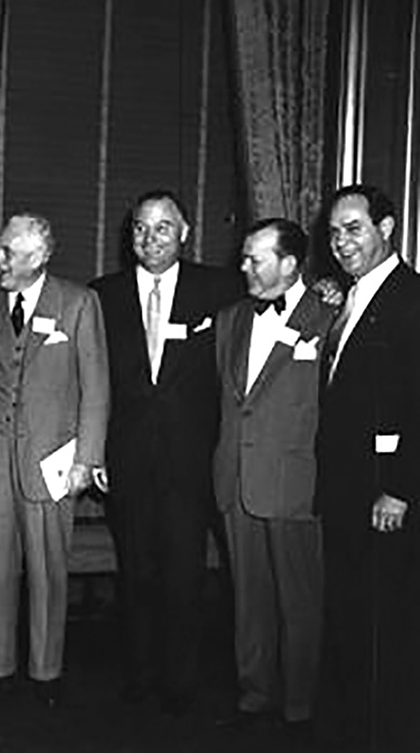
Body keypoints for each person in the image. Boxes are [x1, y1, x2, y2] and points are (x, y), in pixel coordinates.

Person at [90, 190, 242, 716]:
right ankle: (139, 675)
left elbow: (280, 305)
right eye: (139, 228)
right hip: (126, 459)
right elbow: (89, 382)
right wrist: (95, 452)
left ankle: (181, 681)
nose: (149, 239)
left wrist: (328, 294)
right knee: (136, 574)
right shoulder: (102, 294)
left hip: (191, 458)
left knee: (184, 575)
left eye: (161, 228)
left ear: (185, 232)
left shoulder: (220, 289)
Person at [0, 213, 109, 707]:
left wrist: (85, 460)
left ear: (40, 256)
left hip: (52, 457)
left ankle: (46, 671)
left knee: (48, 568)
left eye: (9, 252)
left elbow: (96, 387)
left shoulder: (77, 303)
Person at [212, 219, 331, 734]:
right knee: (248, 600)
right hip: (237, 480)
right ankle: (253, 694)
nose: (243, 267)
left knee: (300, 602)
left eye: (254, 259)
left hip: (294, 484)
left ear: (289, 263)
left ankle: (301, 706)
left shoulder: (331, 313)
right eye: (243, 257)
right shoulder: (230, 319)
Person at [315, 184, 420, 752]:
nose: (341, 242)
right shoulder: (352, 297)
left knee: (386, 629)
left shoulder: (411, 298)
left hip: (385, 497)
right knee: (350, 620)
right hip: (345, 491)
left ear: (387, 227)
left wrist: (399, 490)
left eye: (354, 228)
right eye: (333, 232)